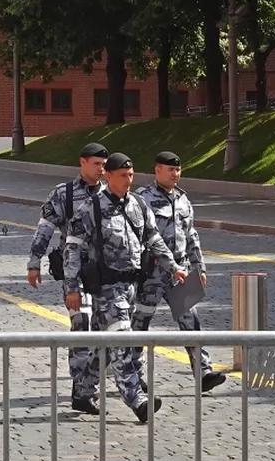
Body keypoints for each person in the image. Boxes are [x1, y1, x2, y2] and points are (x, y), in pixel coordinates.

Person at [62, 153, 185, 423]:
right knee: (123, 341)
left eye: (131, 176)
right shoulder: (90, 208)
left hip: (131, 286)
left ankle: (83, 391)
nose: (128, 181)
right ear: (108, 176)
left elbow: (153, 239)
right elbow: (72, 249)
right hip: (106, 288)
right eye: (122, 176)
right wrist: (72, 287)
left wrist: (173, 265)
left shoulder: (138, 205)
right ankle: (136, 399)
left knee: (107, 344)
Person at [132, 151, 227, 393]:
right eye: (170, 170)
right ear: (157, 170)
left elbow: (191, 235)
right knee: (141, 322)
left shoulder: (183, 200)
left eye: (178, 170)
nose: (175, 174)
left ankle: (203, 371)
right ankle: (133, 373)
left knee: (190, 321)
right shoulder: (142, 199)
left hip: (180, 272)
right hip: (152, 271)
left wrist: (199, 266)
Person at [26, 142, 108, 414]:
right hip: (75, 272)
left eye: (103, 164)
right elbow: (46, 228)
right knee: (81, 324)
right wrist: (34, 261)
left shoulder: (112, 192)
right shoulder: (65, 194)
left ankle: (96, 381)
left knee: (108, 330)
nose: (101, 169)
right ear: (82, 162)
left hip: (107, 272)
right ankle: (81, 388)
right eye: (96, 164)